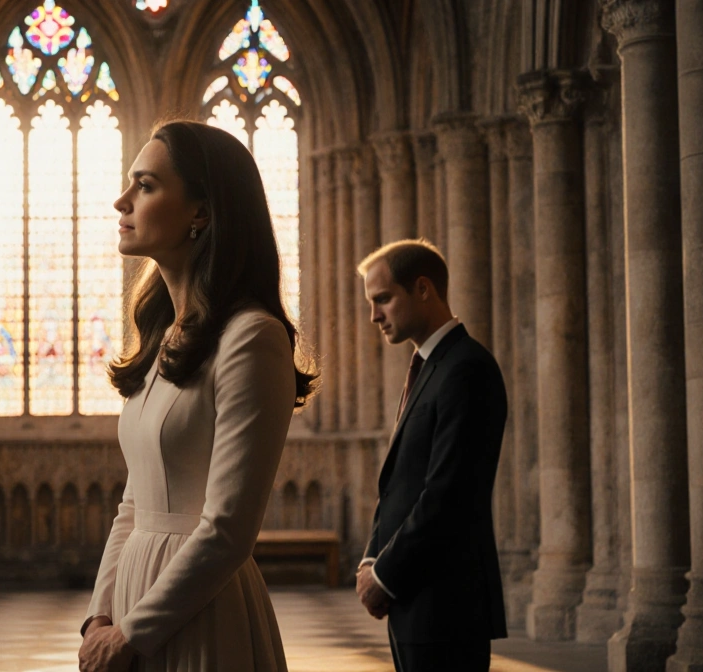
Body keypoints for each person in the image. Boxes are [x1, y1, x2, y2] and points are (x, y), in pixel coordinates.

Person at [77, 121, 317, 672]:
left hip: (199, 607)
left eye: (145, 185)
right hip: (135, 592)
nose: (122, 200)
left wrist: (133, 632)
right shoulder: (165, 336)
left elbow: (229, 527)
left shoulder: (252, 336)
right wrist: (99, 617)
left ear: (201, 212)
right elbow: (133, 505)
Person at [354, 239, 507, 671]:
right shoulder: (431, 365)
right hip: (416, 599)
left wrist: (384, 575)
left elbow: (449, 494)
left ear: (423, 289)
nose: (374, 315)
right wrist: (372, 557)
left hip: (447, 603)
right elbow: (400, 480)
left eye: (383, 299)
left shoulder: (466, 368)